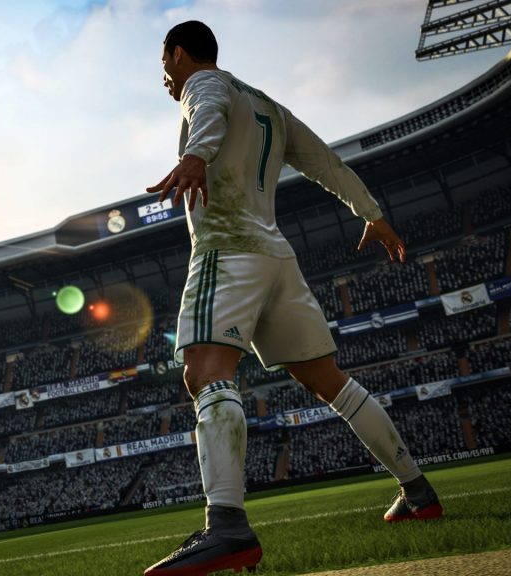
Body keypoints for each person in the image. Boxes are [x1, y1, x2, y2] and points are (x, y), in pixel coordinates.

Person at [143, 21, 442, 576]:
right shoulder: (269, 107)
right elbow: (325, 161)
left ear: (178, 54)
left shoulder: (202, 85)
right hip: (276, 257)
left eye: (164, 64)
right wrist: (371, 212)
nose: (164, 77)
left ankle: (226, 527)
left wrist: (197, 155)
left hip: (228, 247)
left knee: (204, 372)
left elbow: (207, 111)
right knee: (330, 381)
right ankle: (418, 491)